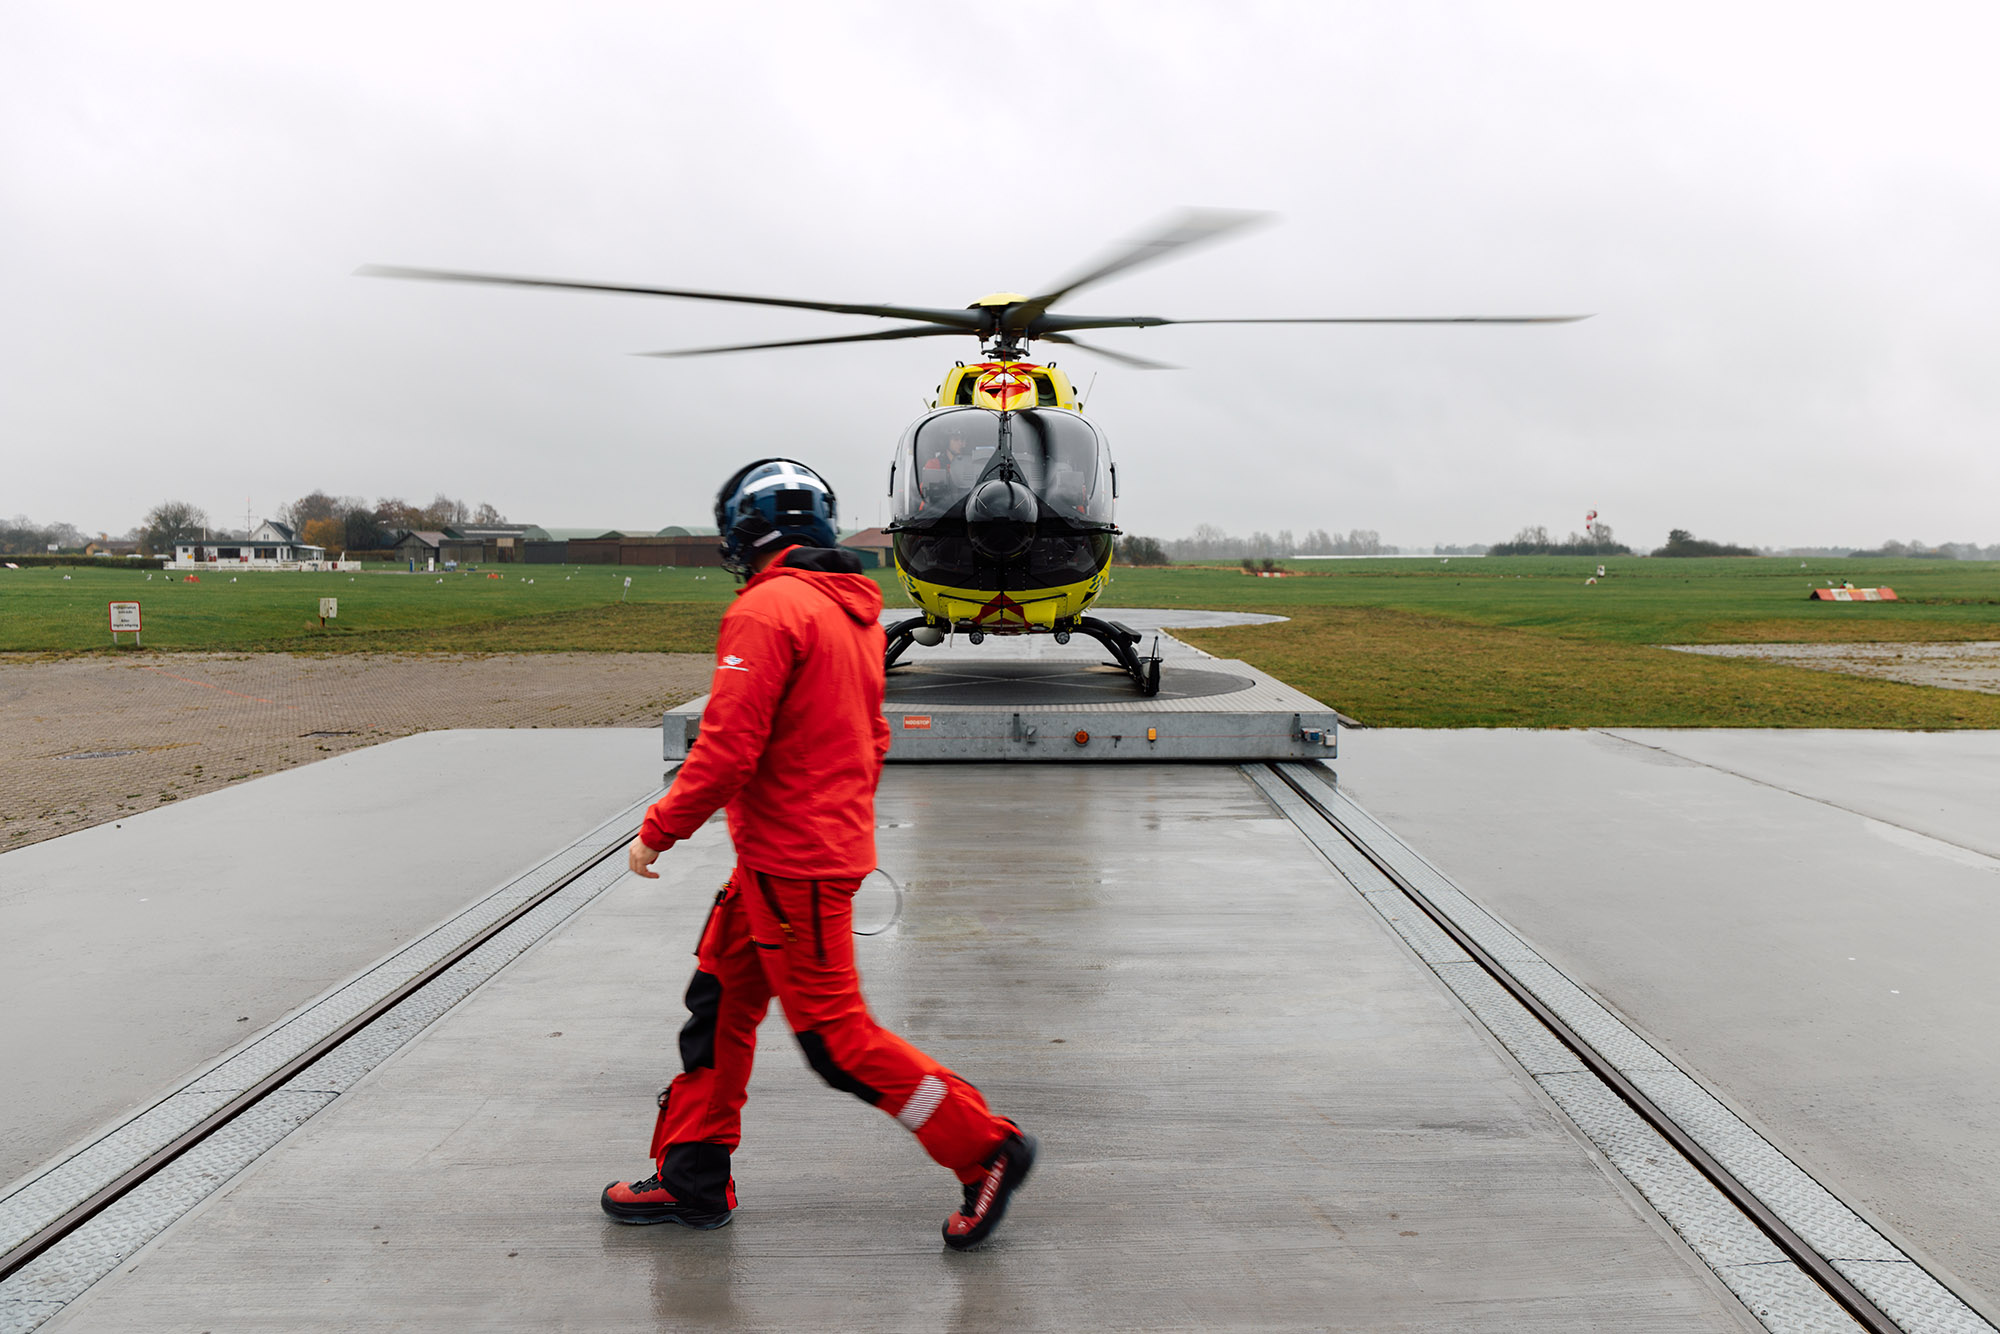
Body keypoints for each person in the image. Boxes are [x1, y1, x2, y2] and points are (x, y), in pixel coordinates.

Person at [601, 458, 1035, 1251]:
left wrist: (658, 829)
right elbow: (871, 736)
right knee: (718, 1006)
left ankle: (984, 1147)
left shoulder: (768, 609)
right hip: (788, 858)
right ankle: (692, 1178)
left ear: (745, 534)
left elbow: (727, 751)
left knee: (838, 1044)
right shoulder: (850, 610)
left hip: (792, 866)